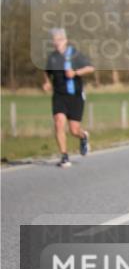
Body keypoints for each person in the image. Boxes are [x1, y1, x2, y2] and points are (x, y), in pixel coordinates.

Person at [42, 28, 94, 168]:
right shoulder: (52, 57)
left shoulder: (75, 55)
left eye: (59, 39)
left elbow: (90, 68)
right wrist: (47, 82)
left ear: (65, 40)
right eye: (55, 40)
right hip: (59, 95)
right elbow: (46, 72)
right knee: (59, 122)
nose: (56, 42)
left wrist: (76, 72)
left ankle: (83, 137)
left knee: (74, 130)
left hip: (75, 96)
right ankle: (64, 157)